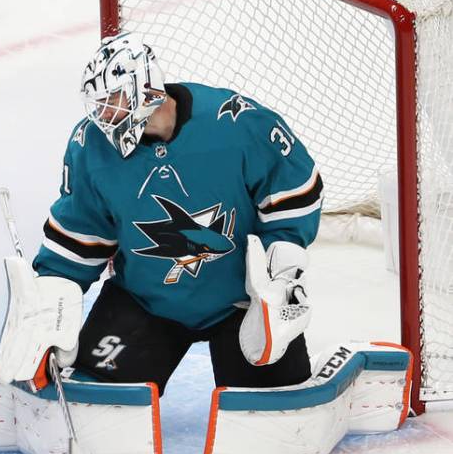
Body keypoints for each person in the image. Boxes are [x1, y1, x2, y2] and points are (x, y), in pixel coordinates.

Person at [32, 31, 324, 394]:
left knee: (273, 400)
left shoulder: (236, 123)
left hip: (241, 304)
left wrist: (280, 272)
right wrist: (50, 302)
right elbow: (80, 229)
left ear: (149, 89)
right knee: (96, 396)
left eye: (115, 99)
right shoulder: (90, 145)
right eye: (100, 103)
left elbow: (294, 191)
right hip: (145, 301)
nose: (106, 114)